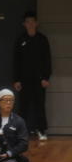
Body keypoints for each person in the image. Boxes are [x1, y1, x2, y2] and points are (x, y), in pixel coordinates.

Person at [13, 10, 52, 141]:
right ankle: (21, 132)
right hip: (24, 80)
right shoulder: (20, 40)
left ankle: (41, 130)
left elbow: (47, 59)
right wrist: (16, 80)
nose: (30, 24)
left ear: (36, 23)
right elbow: (16, 61)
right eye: (27, 22)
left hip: (39, 79)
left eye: (32, 22)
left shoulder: (42, 39)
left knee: (39, 105)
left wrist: (46, 78)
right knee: (23, 106)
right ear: (24, 24)